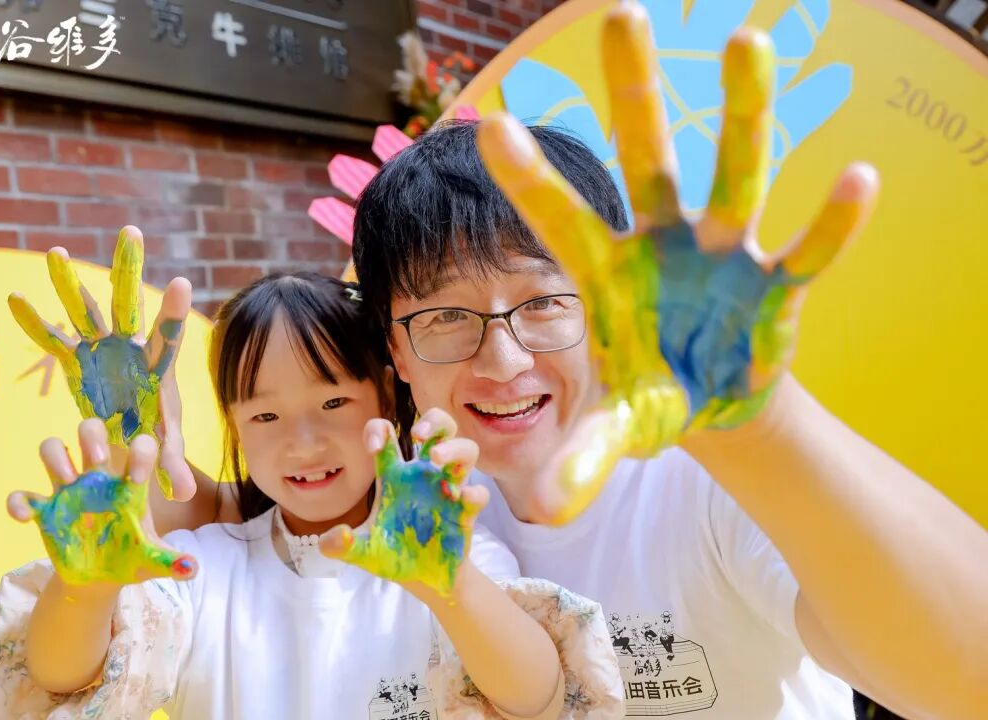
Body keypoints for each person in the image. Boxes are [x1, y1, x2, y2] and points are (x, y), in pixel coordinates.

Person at [347, 8, 988, 718]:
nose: (503, 360)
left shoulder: (706, 473)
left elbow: (967, 686)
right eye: (444, 317)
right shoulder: (418, 506)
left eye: (544, 302)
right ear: (396, 349)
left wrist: (763, 426)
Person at [0, 270, 623, 718]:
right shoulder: (203, 566)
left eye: (332, 402)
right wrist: (86, 587)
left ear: (385, 393)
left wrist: (449, 588)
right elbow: (62, 678)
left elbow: (538, 699)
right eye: (265, 416)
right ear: (233, 427)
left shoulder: (450, 551)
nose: (302, 443)